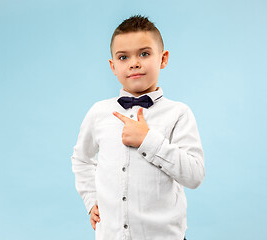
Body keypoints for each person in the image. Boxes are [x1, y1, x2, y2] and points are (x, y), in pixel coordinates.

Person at [71, 15, 205, 240]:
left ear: (163, 59)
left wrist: (148, 140)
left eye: (144, 53)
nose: (134, 63)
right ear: (113, 66)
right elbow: (81, 158)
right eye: (123, 57)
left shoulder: (179, 114)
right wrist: (91, 198)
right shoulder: (98, 112)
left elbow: (194, 175)